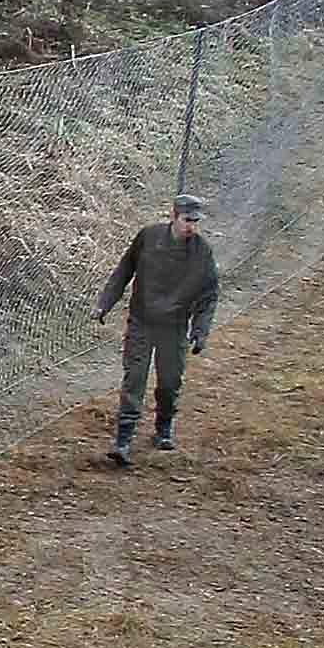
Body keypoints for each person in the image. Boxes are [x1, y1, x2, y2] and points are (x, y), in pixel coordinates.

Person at [95, 194, 216, 463]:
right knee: (134, 378)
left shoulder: (202, 252)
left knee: (170, 382)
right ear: (173, 216)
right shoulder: (148, 238)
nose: (191, 227)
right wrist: (105, 303)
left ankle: (163, 428)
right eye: (187, 220)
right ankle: (123, 439)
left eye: (196, 221)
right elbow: (124, 271)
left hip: (174, 327)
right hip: (142, 321)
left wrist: (200, 330)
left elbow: (209, 295)